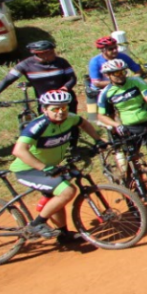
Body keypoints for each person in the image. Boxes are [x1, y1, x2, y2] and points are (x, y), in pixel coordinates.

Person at [9, 89, 107, 243]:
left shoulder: (70, 118)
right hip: (28, 170)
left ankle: (63, 234)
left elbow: (84, 123)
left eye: (64, 108)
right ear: (44, 109)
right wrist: (44, 167)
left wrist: (97, 140)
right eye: (55, 108)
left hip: (49, 167)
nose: (60, 112)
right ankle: (37, 224)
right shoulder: (39, 125)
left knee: (57, 193)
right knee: (67, 190)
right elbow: (19, 150)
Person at [94, 58, 147, 171]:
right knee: (133, 156)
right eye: (117, 73)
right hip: (130, 126)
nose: (121, 75)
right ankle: (137, 182)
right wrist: (116, 125)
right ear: (108, 75)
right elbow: (101, 115)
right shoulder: (106, 93)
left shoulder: (136, 81)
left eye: (123, 71)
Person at [0, 40, 78, 111]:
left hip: (66, 101)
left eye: (53, 51)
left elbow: (72, 78)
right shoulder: (25, 65)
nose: (54, 54)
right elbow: (7, 80)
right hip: (44, 103)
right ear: (40, 54)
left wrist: (64, 88)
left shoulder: (61, 62)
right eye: (50, 53)